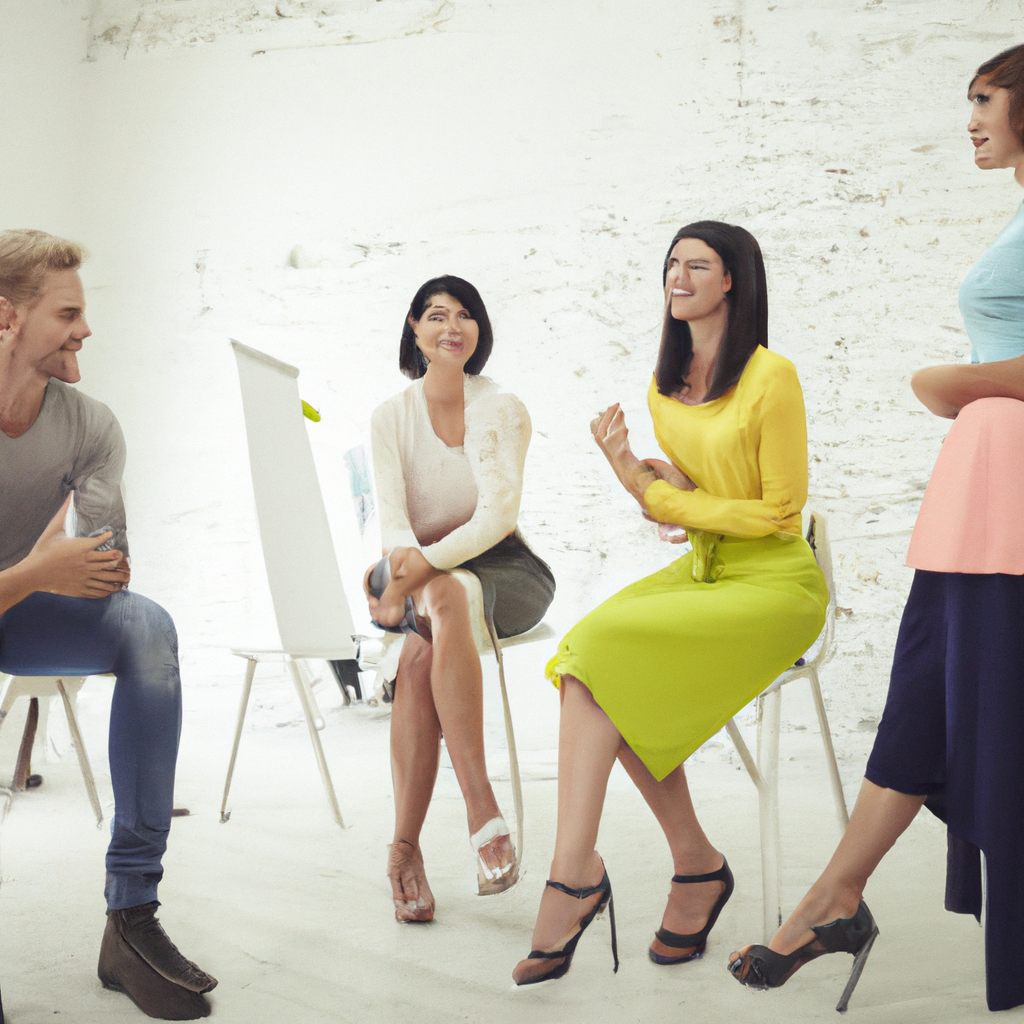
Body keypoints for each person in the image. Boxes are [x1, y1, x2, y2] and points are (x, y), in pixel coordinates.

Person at [729, 44, 1024, 1014]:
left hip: (1008, 506)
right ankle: (835, 894)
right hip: (980, 504)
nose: (970, 119)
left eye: (983, 100)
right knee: (924, 700)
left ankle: (831, 895)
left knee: (981, 714)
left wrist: (957, 383)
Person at [511, 222, 828, 986]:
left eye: (698, 265)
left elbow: (782, 513)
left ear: (733, 283)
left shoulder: (770, 375)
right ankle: (687, 864)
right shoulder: (665, 385)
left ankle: (573, 884)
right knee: (586, 656)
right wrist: (640, 477)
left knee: (605, 654)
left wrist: (659, 494)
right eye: (672, 265)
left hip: (777, 586)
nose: (679, 276)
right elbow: (693, 503)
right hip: (707, 571)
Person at [0, 229, 216, 1021]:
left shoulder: (90, 425)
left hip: (20, 612)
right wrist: (36, 572)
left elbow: (104, 572)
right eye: (68, 313)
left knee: (146, 629)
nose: (85, 328)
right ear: (6, 317)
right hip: (21, 589)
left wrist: (57, 573)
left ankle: (132, 917)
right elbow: (62, 567)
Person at [366, 275, 554, 922]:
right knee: (419, 654)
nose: (453, 326)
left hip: (509, 573)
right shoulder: (390, 418)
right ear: (414, 330)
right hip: (425, 575)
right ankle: (407, 851)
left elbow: (495, 519)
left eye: (466, 315)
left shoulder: (500, 407)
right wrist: (405, 567)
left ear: (479, 332)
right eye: (437, 315)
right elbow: (393, 522)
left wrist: (415, 573)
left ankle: (475, 804)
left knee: (438, 596)